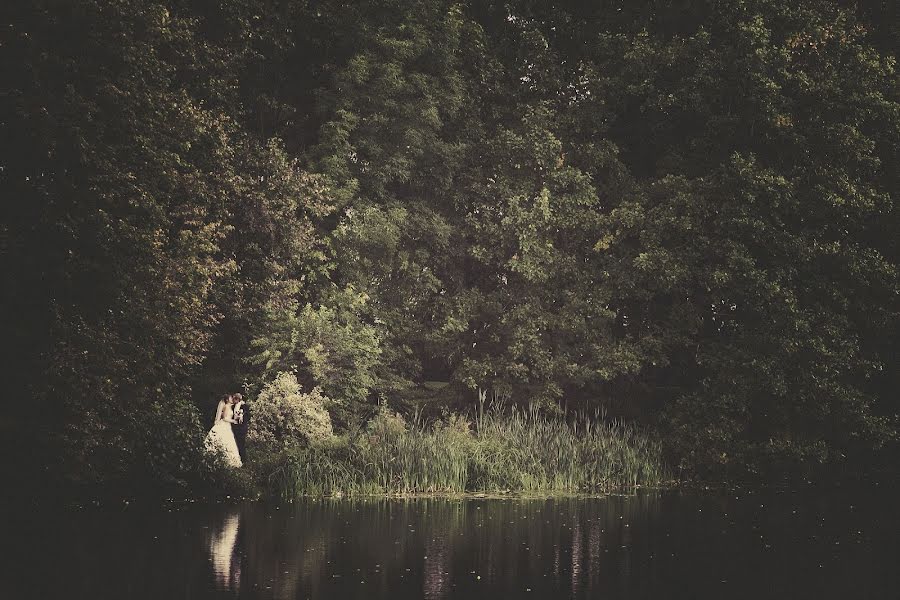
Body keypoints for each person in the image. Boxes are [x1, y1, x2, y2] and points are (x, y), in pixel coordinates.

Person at [204, 394, 243, 467]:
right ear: (227, 400)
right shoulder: (226, 406)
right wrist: (233, 421)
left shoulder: (230, 407)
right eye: (231, 398)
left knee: (228, 442)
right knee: (223, 440)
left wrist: (239, 415)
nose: (232, 399)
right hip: (224, 425)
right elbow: (224, 418)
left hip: (228, 426)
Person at [231, 393, 249, 463]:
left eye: (234, 399)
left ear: (237, 399)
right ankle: (237, 459)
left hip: (242, 428)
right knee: (236, 444)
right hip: (235, 428)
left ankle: (243, 460)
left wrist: (241, 416)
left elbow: (248, 417)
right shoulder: (232, 407)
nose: (233, 401)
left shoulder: (245, 406)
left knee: (242, 444)